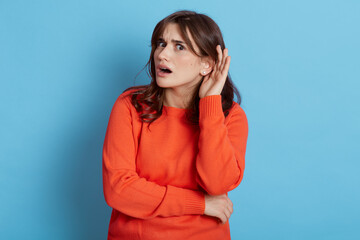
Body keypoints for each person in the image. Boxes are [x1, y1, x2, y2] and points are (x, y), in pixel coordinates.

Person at [102, 10, 248, 240]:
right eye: (161, 43)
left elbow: (217, 183)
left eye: (179, 47)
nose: (162, 54)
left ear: (207, 64)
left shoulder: (231, 116)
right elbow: (119, 190)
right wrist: (199, 204)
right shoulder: (130, 106)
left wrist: (210, 106)